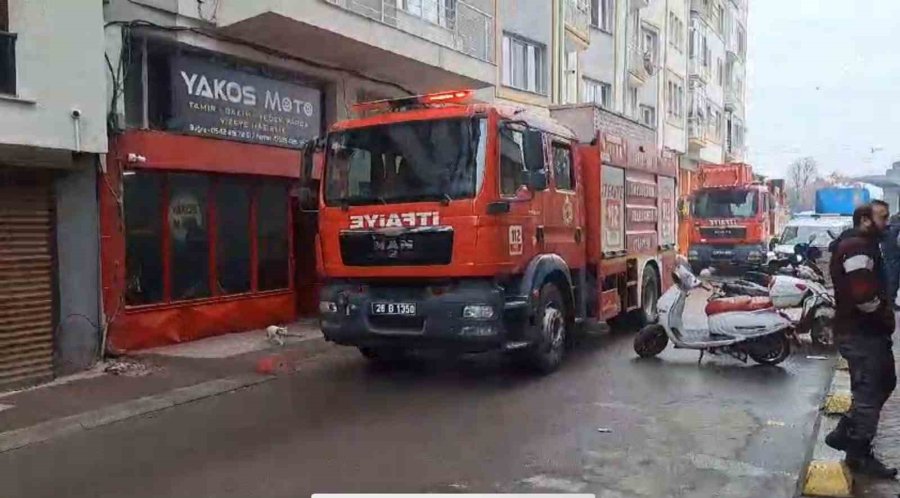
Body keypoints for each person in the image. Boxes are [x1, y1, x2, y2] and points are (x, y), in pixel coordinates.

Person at [825, 201, 898, 478]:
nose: (887, 223)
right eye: (883, 217)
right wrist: (884, 315)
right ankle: (859, 452)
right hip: (861, 333)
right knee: (869, 391)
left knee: (882, 383)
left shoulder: (863, 244)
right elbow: (863, 296)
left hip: (865, 332)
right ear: (865, 220)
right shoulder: (856, 248)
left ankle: (846, 431)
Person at [881, 208, 900, 309]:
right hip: (893, 254)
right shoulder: (894, 221)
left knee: (893, 277)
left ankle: (890, 300)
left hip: (892, 253)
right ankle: (889, 301)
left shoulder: (892, 220)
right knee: (892, 277)